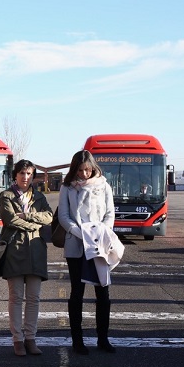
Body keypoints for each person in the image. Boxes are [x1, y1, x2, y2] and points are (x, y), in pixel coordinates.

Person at [58, 150, 124, 354]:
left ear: (93, 168)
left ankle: (103, 338)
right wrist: (82, 234)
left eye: (88, 170)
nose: (84, 174)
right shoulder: (67, 187)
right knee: (77, 293)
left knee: (102, 292)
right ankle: (77, 340)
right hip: (76, 244)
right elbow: (64, 216)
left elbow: (110, 213)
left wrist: (99, 233)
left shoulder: (103, 185)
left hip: (100, 244)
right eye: (80, 170)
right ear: (74, 169)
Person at [0, 159, 53, 356]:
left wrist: (28, 216)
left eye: (29, 173)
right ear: (15, 175)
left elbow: (49, 217)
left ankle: (31, 338)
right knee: (16, 297)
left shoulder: (38, 196)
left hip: (36, 251)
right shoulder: (6, 195)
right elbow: (9, 219)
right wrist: (34, 225)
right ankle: (17, 340)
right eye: (22, 173)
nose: (25, 177)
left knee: (34, 298)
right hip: (15, 250)